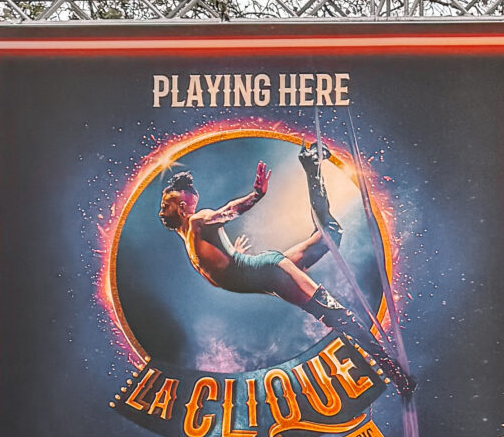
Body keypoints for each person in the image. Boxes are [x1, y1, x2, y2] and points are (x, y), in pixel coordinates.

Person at [158, 149, 413, 394]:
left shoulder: (196, 221)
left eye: (164, 205)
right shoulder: (192, 242)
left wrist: (255, 196)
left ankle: (395, 373)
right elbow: (229, 271)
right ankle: (312, 168)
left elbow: (227, 212)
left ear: (181, 207)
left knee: (338, 317)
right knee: (331, 235)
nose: (161, 210)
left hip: (270, 271)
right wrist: (234, 255)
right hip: (267, 273)